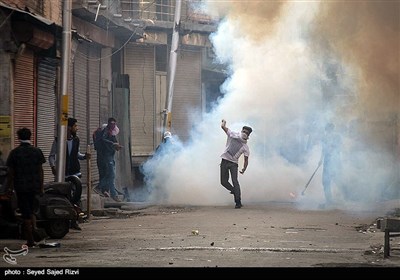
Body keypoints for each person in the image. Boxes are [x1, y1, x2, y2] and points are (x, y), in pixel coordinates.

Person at [6, 127, 46, 247]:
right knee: (32, 211)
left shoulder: (15, 153)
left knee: (26, 213)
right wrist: (41, 186)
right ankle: (34, 232)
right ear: (30, 136)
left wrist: (9, 187)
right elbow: (41, 171)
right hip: (34, 187)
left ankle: (30, 240)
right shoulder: (37, 151)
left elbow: (11, 173)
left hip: (21, 187)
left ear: (18, 138)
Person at [49, 117, 90, 230]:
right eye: (75, 126)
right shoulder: (58, 141)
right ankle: (65, 220)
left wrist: (85, 156)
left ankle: (74, 221)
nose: (77, 128)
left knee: (76, 197)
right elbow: (52, 156)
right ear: (69, 128)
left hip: (75, 173)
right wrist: (53, 167)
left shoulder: (76, 140)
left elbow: (77, 155)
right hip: (63, 174)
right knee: (65, 198)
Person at [220, 119, 252, 209]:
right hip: (224, 160)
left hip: (233, 164)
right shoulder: (232, 134)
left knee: (235, 181)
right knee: (223, 182)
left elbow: (246, 160)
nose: (245, 133)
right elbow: (223, 127)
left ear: (248, 135)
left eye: (247, 132)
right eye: (244, 131)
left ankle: (238, 202)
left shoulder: (245, 147)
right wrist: (224, 122)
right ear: (241, 131)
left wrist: (244, 169)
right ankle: (234, 190)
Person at [96, 117, 122, 202]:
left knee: (110, 175)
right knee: (111, 174)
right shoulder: (106, 131)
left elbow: (114, 141)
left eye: (114, 123)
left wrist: (117, 146)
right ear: (109, 124)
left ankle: (102, 188)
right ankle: (111, 193)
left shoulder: (112, 132)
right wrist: (113, 144)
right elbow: (104, 140)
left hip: (110, 155)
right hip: (107, 156)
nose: (113, 125)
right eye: (112, 123)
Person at [318, 122, 342, 206]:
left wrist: (333, 149)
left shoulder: (337, 137)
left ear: (332, 129)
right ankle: (329, 200)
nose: (328, 131)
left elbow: (339, 148)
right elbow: (323, 149)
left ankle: (343, 196)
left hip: (335, 161)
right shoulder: (324, 138)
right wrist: (320, 160)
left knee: (336, 179)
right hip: (327, 161)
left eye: (329, 129)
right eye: (327, 129)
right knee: (325, 181)